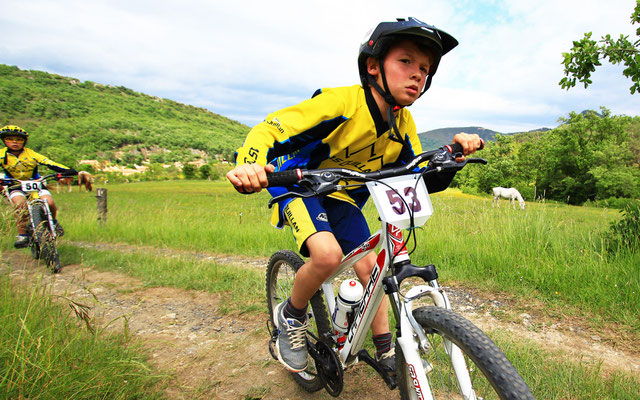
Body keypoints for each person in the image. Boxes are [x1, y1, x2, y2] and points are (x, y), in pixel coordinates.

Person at [226, 17, 483, 374]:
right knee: (328, 256)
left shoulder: (403, 124)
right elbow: (271, 128)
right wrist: (249, 165)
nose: (417, 75)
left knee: (373, 267)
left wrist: (452, 157)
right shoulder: (342, 103)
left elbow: (418, 177)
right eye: (406, 62)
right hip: (299, 186)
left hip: (343, 197)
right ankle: (291, 315)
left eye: (424, 69)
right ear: (374, 66)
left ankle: (384, 351)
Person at [0, 125, 77, 248]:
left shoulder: (31, 154)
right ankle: (22, 235)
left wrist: (67, 170)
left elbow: (49, 162)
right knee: (20, 205)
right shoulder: (1, 155)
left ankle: (54, 222)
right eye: (10, 139)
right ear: (4, 140)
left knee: (50, 202)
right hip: (14, 185)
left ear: (24, 141)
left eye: (19, 140)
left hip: (35, 183)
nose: (15, 142)